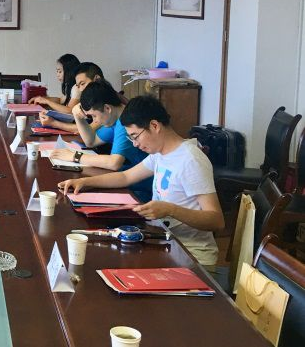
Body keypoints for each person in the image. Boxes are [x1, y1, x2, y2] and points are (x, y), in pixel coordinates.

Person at [58, 95, 225, 268]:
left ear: (154, 126)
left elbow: (216, 220)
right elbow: (126, 177)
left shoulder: (191, 160)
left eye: (135, 136)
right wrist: (85, 182)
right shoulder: (160, 153)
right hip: (164, 242)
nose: (135, 144)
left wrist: (171, 210)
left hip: (192, 255)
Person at [51, 81, 152, 201]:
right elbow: (91, 141)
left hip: (140, 192)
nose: (95, 121)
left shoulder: (125, 123)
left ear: (107, 108)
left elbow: (114, 163)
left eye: (94, 116)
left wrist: (75, 156)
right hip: (126, 183)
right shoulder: (114, 119)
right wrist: (78, 117)